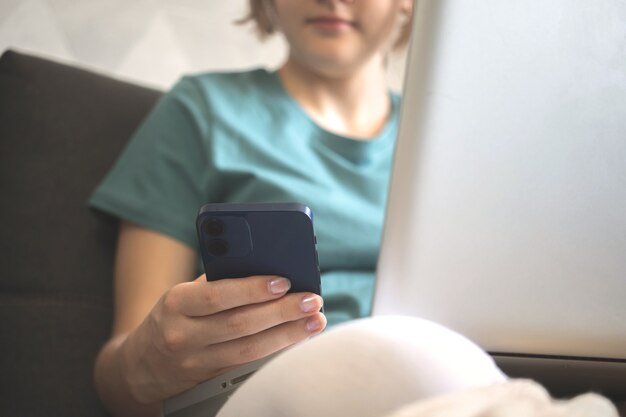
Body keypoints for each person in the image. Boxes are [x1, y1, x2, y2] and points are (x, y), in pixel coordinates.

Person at [89, 1, 414, 416]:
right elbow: (122, 375)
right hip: (278, 391)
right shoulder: (202, 110)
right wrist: (148, 362)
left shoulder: (447, 140)